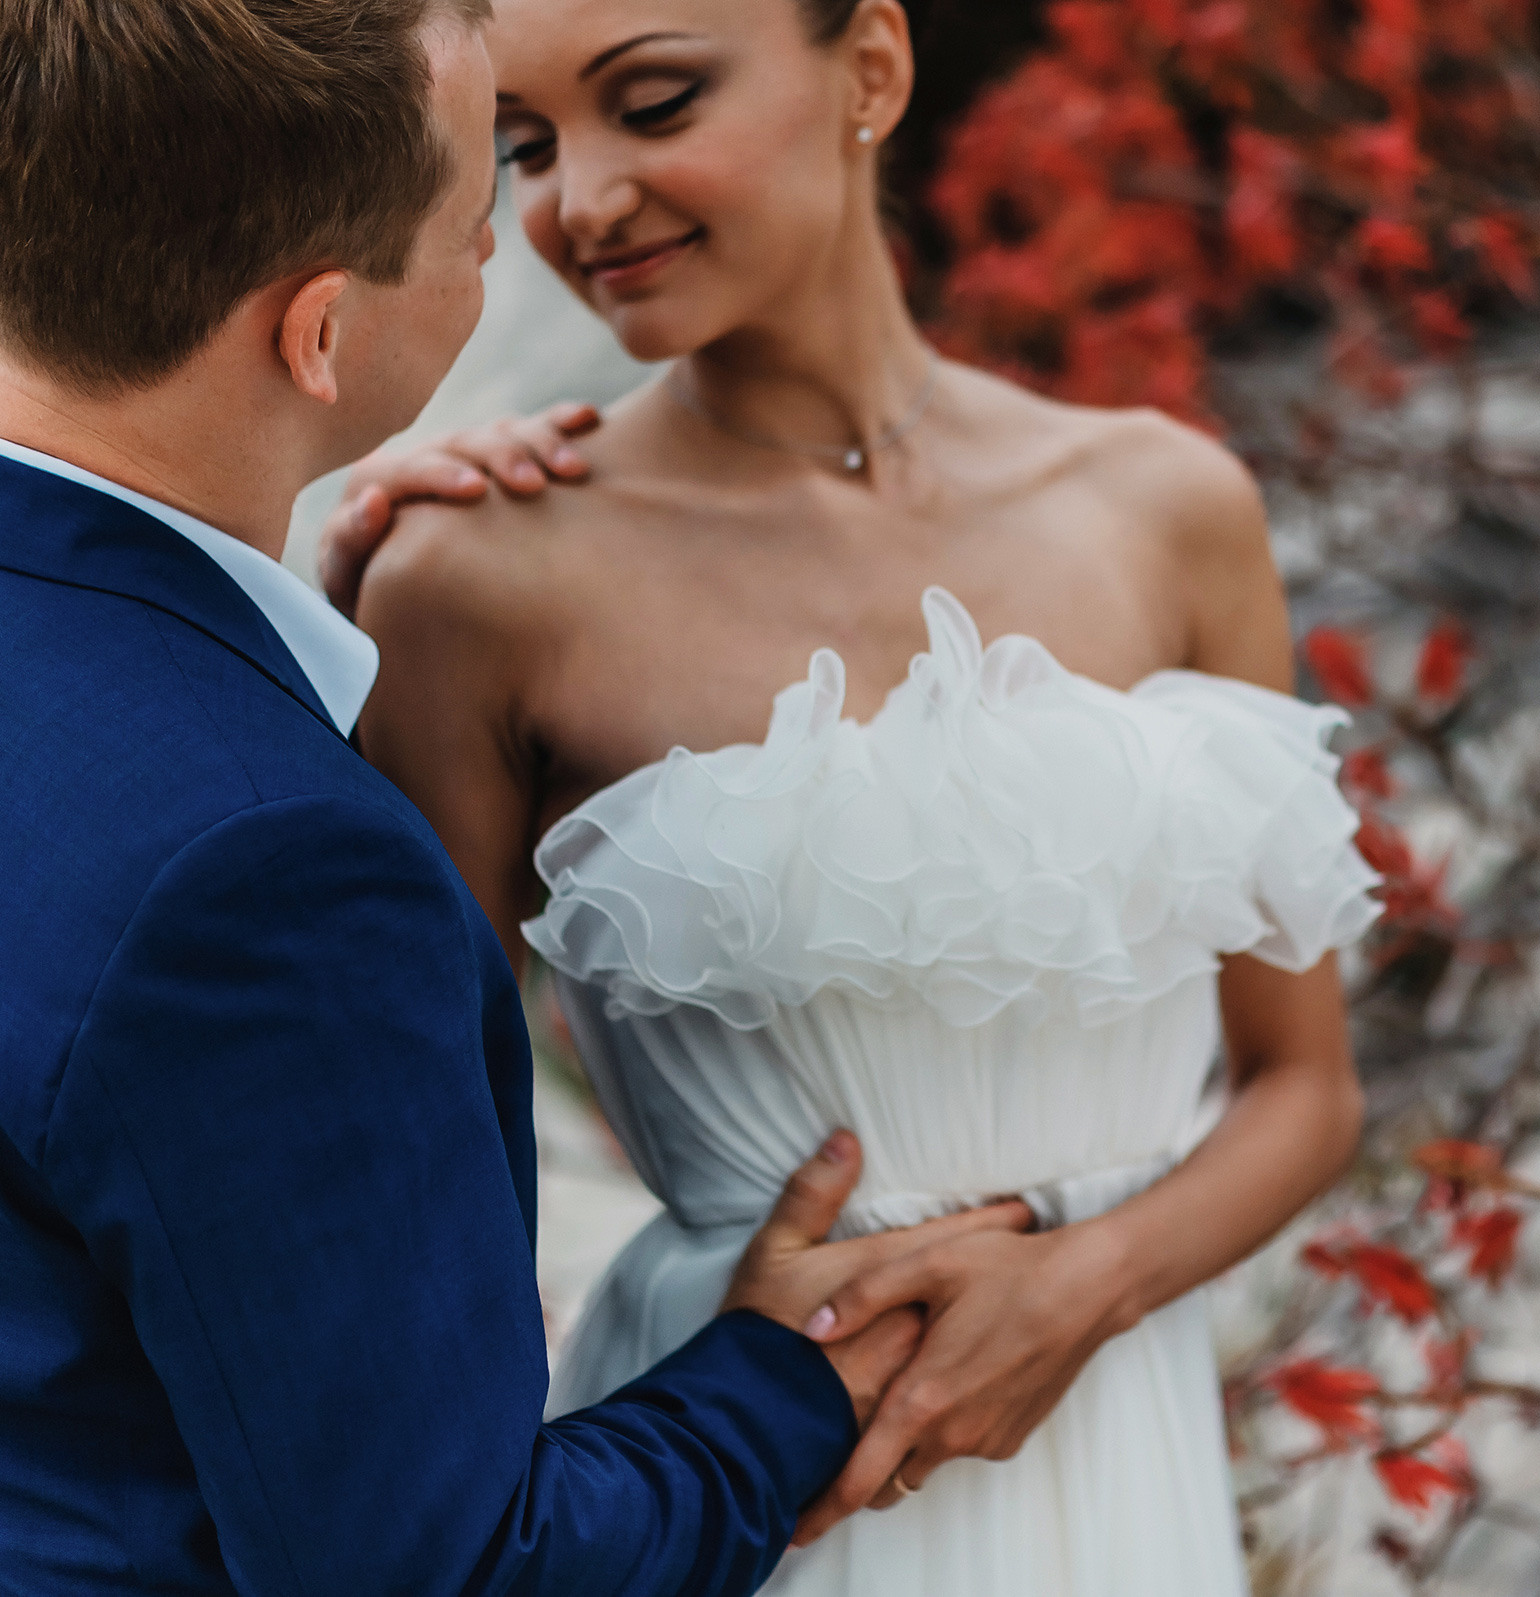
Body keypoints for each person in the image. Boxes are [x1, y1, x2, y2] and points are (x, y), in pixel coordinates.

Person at [319, 0, 1383, 1591]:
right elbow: (399, 1182)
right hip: (745, 1482)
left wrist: (1083, 1285)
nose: (580, 201)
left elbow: (1306, 1087)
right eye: (527, 148)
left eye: (656, 102)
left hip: (1116, 1447)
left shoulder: (1171, 507)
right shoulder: (473, 579)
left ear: (871, 69)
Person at [0, 3, 1026, 1593]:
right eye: (479, 208)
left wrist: (287, 640)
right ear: (323, 333)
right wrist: (785, 1377)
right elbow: (454, 1570)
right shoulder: (262, 866)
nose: (529, 237)